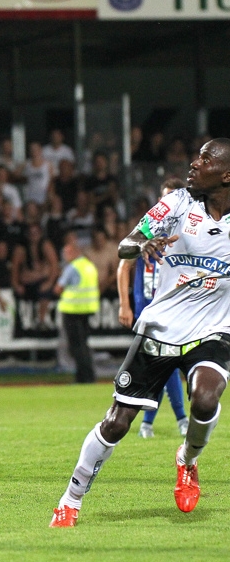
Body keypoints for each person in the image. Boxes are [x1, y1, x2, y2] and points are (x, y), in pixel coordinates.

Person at [50, 139, 230, 527]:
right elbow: (126, 243)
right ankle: (70, 499)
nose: (193, 163)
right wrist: (142, 245)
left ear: (227, 175)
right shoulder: (178, 203)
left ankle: (188, 459)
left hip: (215, 329)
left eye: (205, 159)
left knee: (205, 398)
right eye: (195, 155)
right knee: (116, 423)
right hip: (161, 327)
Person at [116, 178, 188, 439]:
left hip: (173, 307)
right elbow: (124, 264)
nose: (168, 202)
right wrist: (126, 303)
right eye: (164, 197)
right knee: (162, 362)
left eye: (173, 196)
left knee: (164, 362)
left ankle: (155, 421)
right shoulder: (150, 228)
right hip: (147, 307)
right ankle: (175, 420)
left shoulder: (185, 232)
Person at [53, 232, 99, 384]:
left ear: (74, 252)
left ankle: (83, 377)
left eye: (67, 253)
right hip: (88, 309)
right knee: (84, 345)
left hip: (72, 310)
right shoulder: (89, 266)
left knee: (76, 347)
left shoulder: (72, 268)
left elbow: (58, 289)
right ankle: (89, 375)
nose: (65, 256)